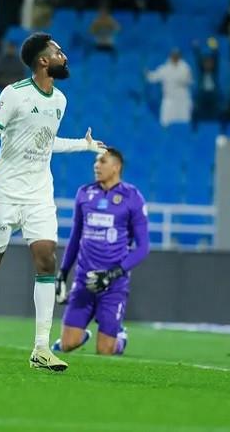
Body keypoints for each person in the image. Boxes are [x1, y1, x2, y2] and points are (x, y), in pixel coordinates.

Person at [0, 32, 106, 372]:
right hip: (6, 191)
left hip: (39, 192)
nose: (63, 55)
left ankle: (41, 348)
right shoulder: (13, 94)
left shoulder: (60, 100)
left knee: (46, 259)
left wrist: (82, 146)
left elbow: (46, 142)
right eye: (58, 51)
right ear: (43, 61)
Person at [52, 148, 149, 355]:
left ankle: (120, 338)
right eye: (96, 161)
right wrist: (62, 273)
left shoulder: (132, 197)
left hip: (113, 284)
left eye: (102, 161)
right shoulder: (85, 193)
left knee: (105, 351)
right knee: (67, 344)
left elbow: (143, 248)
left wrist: (113, 273)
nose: (96, 165)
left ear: (116, 167)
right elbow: (75, 237)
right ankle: (81, 335)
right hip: (84, 280)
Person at [145, 48, 193, 127]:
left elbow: (188, 81)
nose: (175, 57)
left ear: (180, 56)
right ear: (170, 56)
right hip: (169, 99)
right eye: (173, 55)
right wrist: (147, 74)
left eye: (177, 55)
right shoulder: (165, 68)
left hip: (183, 100)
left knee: (186, 122)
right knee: (165, 123)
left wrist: (180, 81)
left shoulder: (185, 68)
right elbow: (153, 77)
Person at [192, 38, 222, 123]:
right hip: (203, 94)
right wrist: (196, 48)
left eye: (210, 63)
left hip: (213, 94)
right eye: (206, 63)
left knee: (217, 106)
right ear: (203, 64)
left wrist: (214, 47)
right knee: (197, 105)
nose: (208, 65)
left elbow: (216, 57)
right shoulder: (201, 72)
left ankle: (216, 125)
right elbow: (198, 59)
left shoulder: (214, 72)